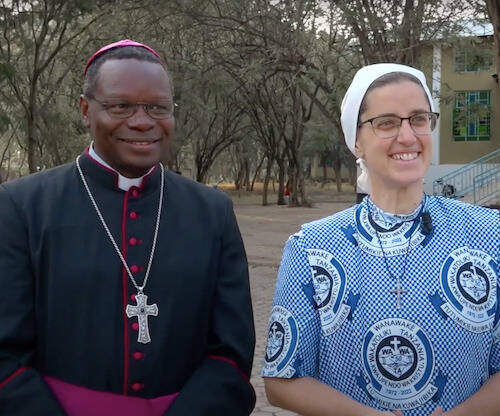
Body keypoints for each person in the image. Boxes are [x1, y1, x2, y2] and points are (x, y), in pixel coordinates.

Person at [0, 39, 255, 415]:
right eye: (120, 106)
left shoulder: (212, 211)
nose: (141, 121)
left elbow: (231, 355)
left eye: (157, 108)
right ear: (86, 110)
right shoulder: (20, 206)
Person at [262, 63, 499, 416]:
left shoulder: (489, 234)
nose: (407, 136)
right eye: (386, 122)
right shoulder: (311, 249)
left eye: (418, 118)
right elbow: (282, 379)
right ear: (356, 140)